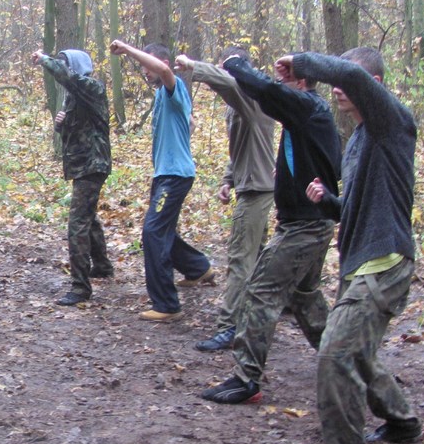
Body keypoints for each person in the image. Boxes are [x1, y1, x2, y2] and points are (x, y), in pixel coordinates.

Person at [279, 47, 420, 444]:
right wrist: (330, 202)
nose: (338, 88)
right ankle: (401, 421)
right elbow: (359, 209)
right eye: (337, 81)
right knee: (358, 350)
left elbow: (350, 76)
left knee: (334, 351)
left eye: (348, 80)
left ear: (374, 87)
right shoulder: (359, 139)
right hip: (360, 263)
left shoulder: (391, 121)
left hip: (384, 264)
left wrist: (303, 63)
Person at [199, 53, 341, 405]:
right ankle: (345, 362)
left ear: (301, 83)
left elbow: (264, 90)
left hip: (305, 226)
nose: (279, 87)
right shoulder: (309, 115)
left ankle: (246, 378)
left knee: (261, 291)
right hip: (308, 222)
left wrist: (235, 64)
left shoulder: (309, 108)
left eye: (286, 82)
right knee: (305, 296)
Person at [174, 48, 276, 351]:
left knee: (241, 258)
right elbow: (240, 146)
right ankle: (263, 312)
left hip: (256, 190)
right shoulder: (240, 104)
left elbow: (229, 83)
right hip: (250, 184)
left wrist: (194, 66)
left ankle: (230, 327)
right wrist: (228, 180)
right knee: (260, 257)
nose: (223, 74)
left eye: (226, 69)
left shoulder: (254, 98)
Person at [109, 40, 212, 322]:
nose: (145, 70)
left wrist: (128, 50)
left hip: (175, 176)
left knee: (153, 232)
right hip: (166, 174)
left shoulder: (172, 85)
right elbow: (189, 123)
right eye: (143, 66)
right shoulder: (163, 96)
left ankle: (167, 305)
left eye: (147, 65)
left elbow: (166, 72)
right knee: (162, 230)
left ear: (162, 64)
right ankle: (198, 267)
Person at [31, 49, 112, 305]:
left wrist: (45, 60)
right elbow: (74, 132)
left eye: (65, 64)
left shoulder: (92, 87)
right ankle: (102, 265)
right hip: (82, 164)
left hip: (93, 164)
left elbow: (67, 77)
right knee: (88, 217)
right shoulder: (74, 96)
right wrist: (61, 125)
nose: (62, 68)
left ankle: (80, 287)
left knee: (77, 224)